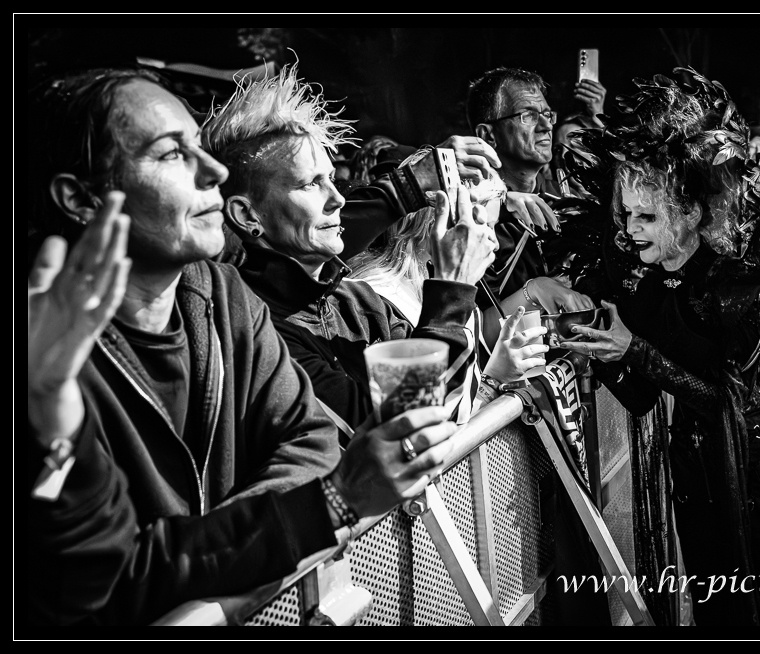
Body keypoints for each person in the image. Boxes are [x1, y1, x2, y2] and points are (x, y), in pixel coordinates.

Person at [26, 65, 457, 626]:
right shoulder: (42, 356)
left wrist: (218, 555)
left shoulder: (226, 298)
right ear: (80, 197)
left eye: (199, 147)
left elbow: (314, 443)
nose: (213, 171)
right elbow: (102, 585)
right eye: (170, 153)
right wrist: (315, 511)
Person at [557, 67, 760, 626]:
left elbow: (725, 402)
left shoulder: (734, 284)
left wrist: (634, 351)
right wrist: (600, 349)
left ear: (692, 213)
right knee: (717, 619)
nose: (632, 229)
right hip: (693, 477)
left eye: (648, 216)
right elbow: (643, 397)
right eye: (627, 214)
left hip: (752, 476)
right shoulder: (646, 283)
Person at [202, 63, 499, 432]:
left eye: (331, 179)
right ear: (248, 215)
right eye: (309, 184)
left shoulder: (362, 304)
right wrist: (453, 289)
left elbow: (450, 412)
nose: (338, 198)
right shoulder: (258, 334)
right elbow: (404, 434)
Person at [348, 169, 550, 413]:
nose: (495, 243)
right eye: (483, 225)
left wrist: (495, 370)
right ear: (438, 222)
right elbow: (413, 417)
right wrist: (493, 379)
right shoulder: (376, 301)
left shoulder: (442, 286)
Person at [465, 66, 596, 349]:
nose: (546, 126)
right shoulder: (471, 215)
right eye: (528, 116)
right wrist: (533, 291)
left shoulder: (562, 204)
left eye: (547, 114)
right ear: (488, 135)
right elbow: (465, 334)